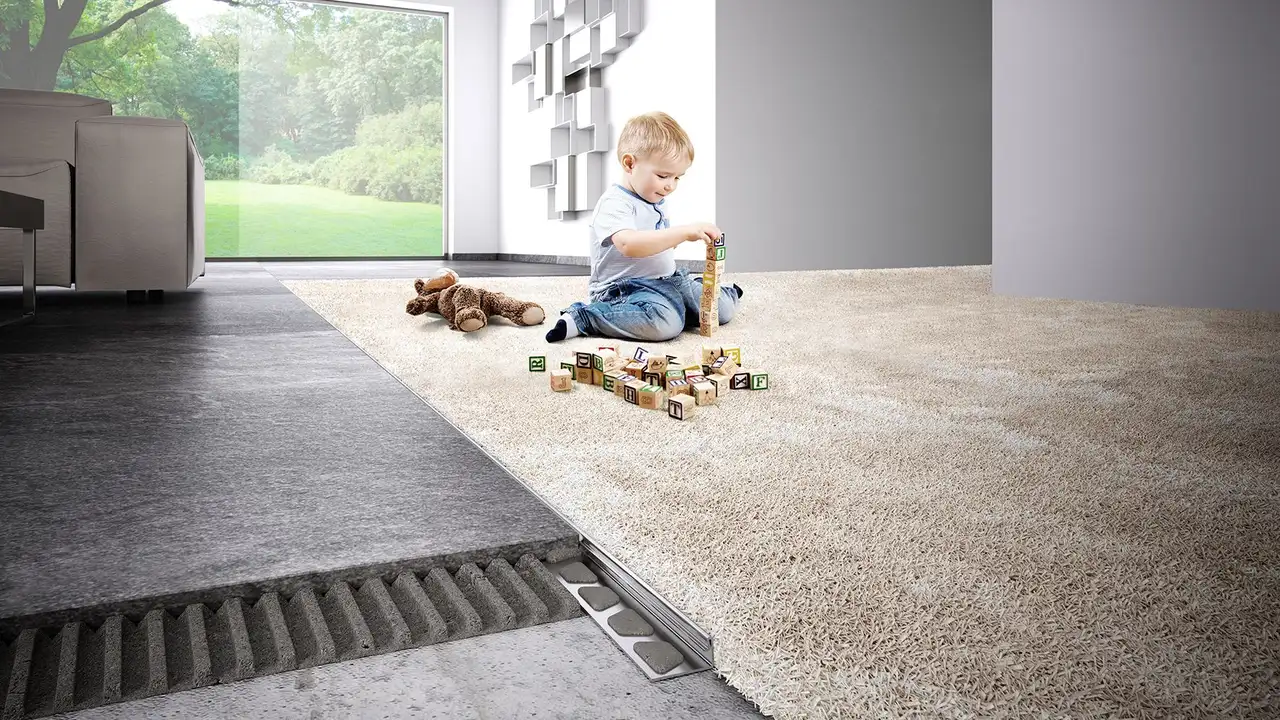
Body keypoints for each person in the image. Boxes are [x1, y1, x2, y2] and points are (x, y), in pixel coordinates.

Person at [545, 111, 743, 343]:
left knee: (722, 309)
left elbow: (656, 243)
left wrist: (678, 241)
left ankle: (712, 293)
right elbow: (629, 245)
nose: (670, 186)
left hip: (667, 279)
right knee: (666, 325)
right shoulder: (614, 203)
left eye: (678, 178)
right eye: (663, 175)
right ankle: (585, 317)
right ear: (630, 164)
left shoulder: (655, 199)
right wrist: (683, 232)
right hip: (624, 289)